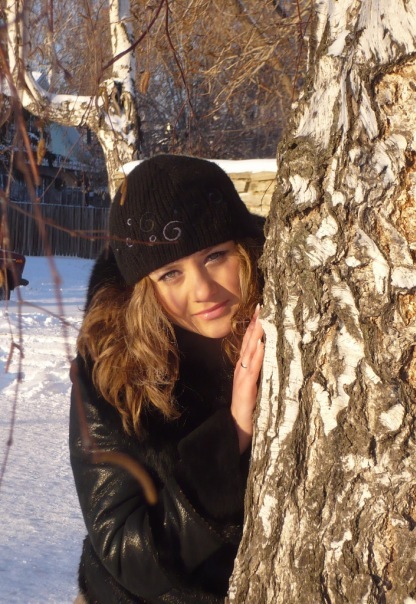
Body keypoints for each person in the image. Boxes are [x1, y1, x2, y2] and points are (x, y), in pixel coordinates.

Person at [69, 154, 265, 603]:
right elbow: (124, 552)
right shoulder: (112, 369)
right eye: (171, 273)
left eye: (215, 256)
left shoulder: (301, 324)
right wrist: (230, 435)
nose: (203, 290)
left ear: (245, 249)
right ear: (144, 287)